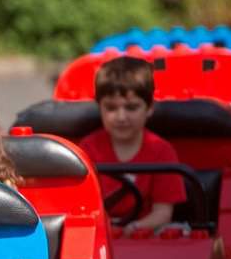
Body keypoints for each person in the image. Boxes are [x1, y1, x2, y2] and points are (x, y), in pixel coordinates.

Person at [79, 56, 186, 232]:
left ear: (150, 107)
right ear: (99, 108)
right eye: (111, 108)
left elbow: (163, 212)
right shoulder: (87, 150)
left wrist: (134, 228)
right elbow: (82, 206)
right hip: (99, 233)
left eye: (131, 107)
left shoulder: (162, 151)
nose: (121, 117)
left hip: (146, 236)